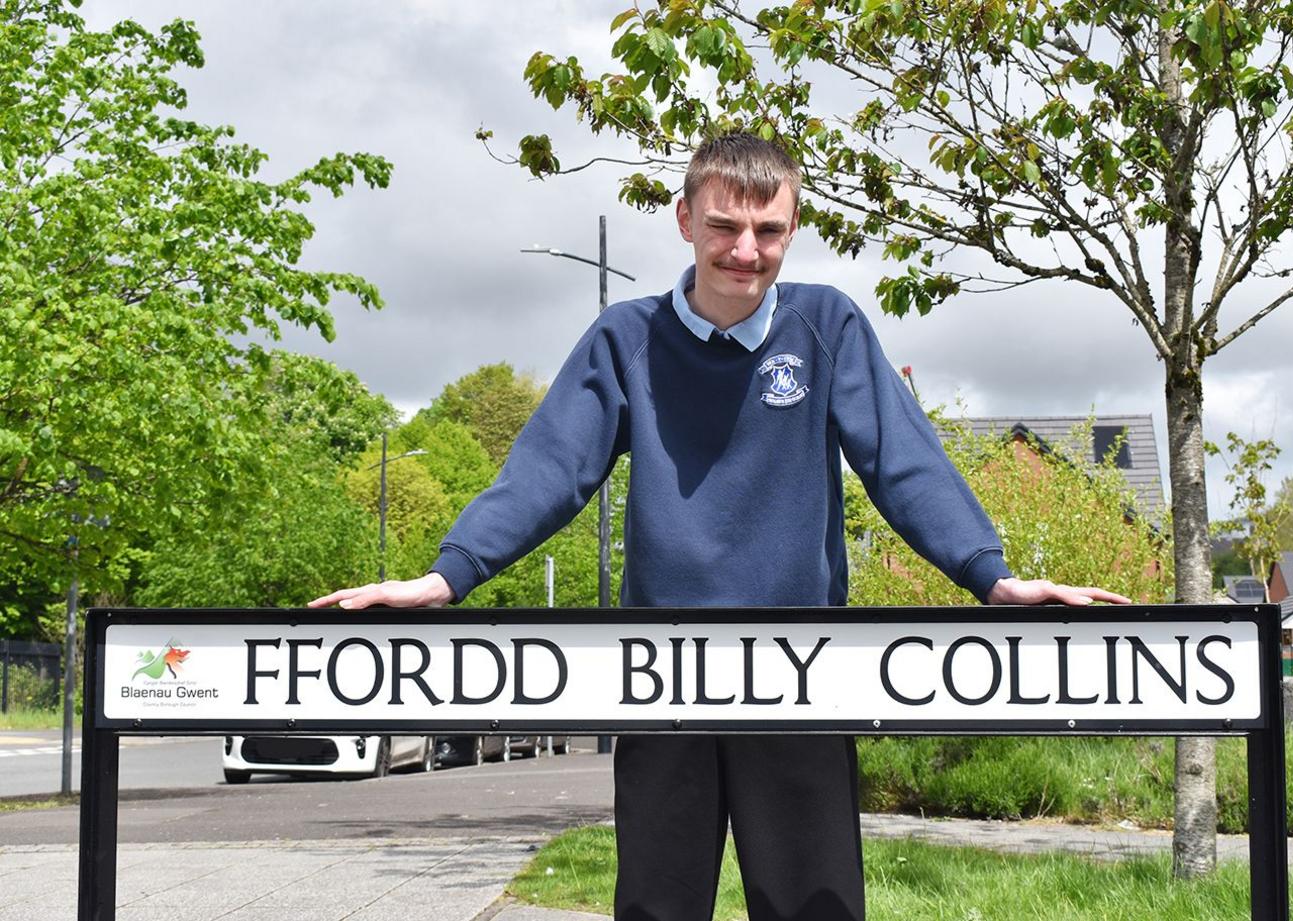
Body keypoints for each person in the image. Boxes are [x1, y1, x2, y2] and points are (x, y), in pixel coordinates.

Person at [311, 132, 1129, 921]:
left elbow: (902, 461)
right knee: (659, 907)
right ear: (684, 220)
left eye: (769, 229)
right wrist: (448, 574)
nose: (747, 249)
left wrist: (991, 574)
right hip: (664, 678)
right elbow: (549, 470)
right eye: (725, 226)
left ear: (792, 226)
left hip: (803, 677)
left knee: (819, 906)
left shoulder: (827, 325)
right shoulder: (626, 337)